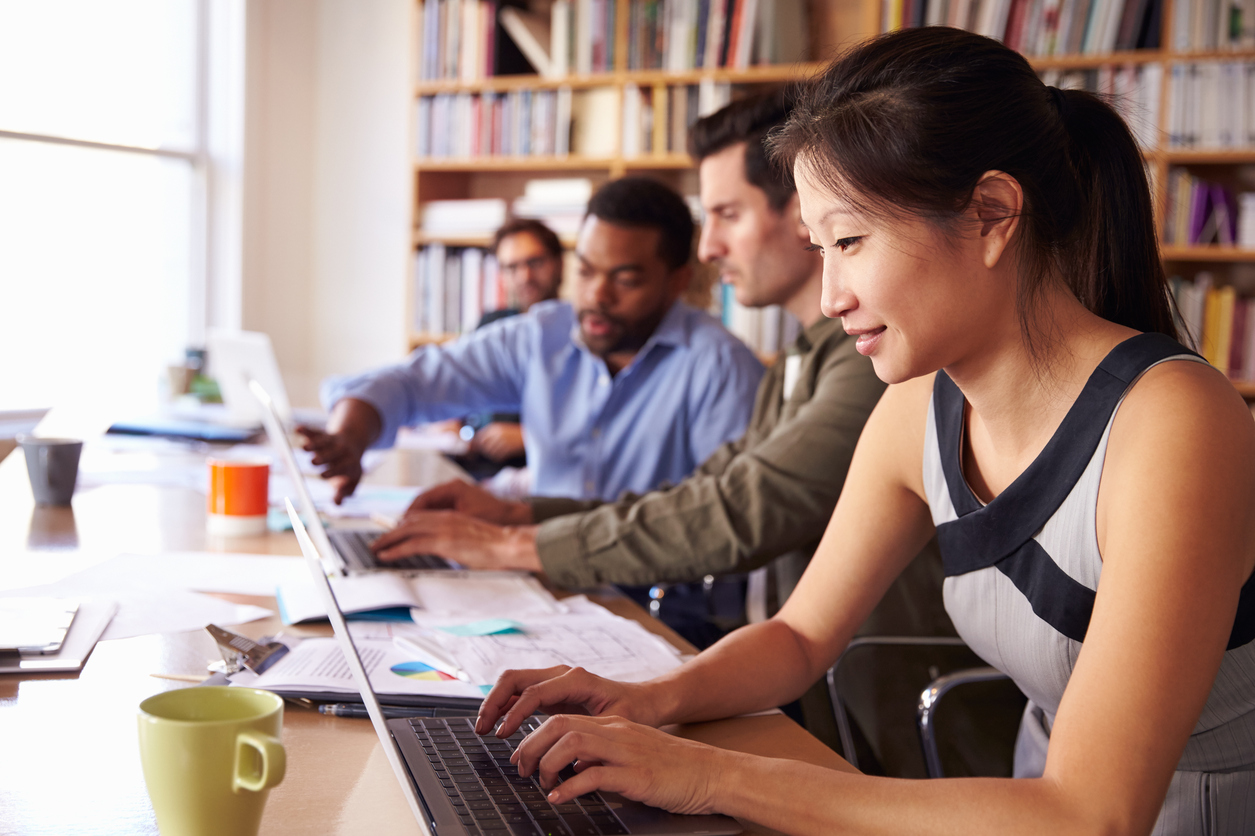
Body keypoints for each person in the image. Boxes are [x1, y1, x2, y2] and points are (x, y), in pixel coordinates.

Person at [466, 27, 1255, 834]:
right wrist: (647, 699)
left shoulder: (1170, 423)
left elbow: (1092, 814)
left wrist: (710, 775)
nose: (832, 290)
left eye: (848, 241)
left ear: (990, 214)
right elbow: (800, 636)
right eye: (818, 247)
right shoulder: (922, 404)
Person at [371, 90, 955, 760]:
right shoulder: (805, 357)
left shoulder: (873, 368)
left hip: (881, 723)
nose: (708, 247)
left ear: (799, 209)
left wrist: (512, 544)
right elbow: (703, 490)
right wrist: (517, 518)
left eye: (726, 214)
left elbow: (738, 512)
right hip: (811, 688)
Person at [300, 176, 764, 508]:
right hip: (541, 580)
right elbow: (412, 382)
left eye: (624, 280)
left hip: (654, 605)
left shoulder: (721, 367)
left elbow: (718, 520)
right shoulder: (542, 335)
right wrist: (350, 436)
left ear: (678, 279)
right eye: (585, 271)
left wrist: (513, 521)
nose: (596, 296)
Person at [462, 219, 565, 471]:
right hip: (480, 468)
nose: (525, 277)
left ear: (559, 264)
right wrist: (454, 426)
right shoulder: (492, 324)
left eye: (535, 263)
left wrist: (529, 437)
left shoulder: (581, 331)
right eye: (511, 267)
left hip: (542, 474)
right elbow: (463, 389)